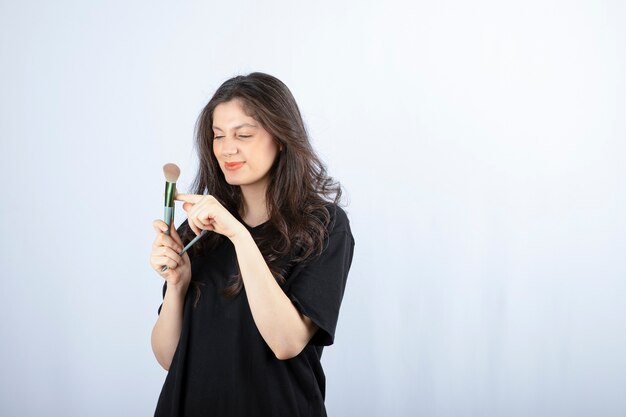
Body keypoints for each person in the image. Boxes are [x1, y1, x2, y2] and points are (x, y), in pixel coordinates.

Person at [148, 72, 355, 417]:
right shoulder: (198, 230)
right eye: (218, 136)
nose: (227, 148)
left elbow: (287, 343)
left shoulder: (324, 226)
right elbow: (169, 359)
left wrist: (239, 235)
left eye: (243, 134)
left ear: (281, 137)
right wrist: (177, 286)